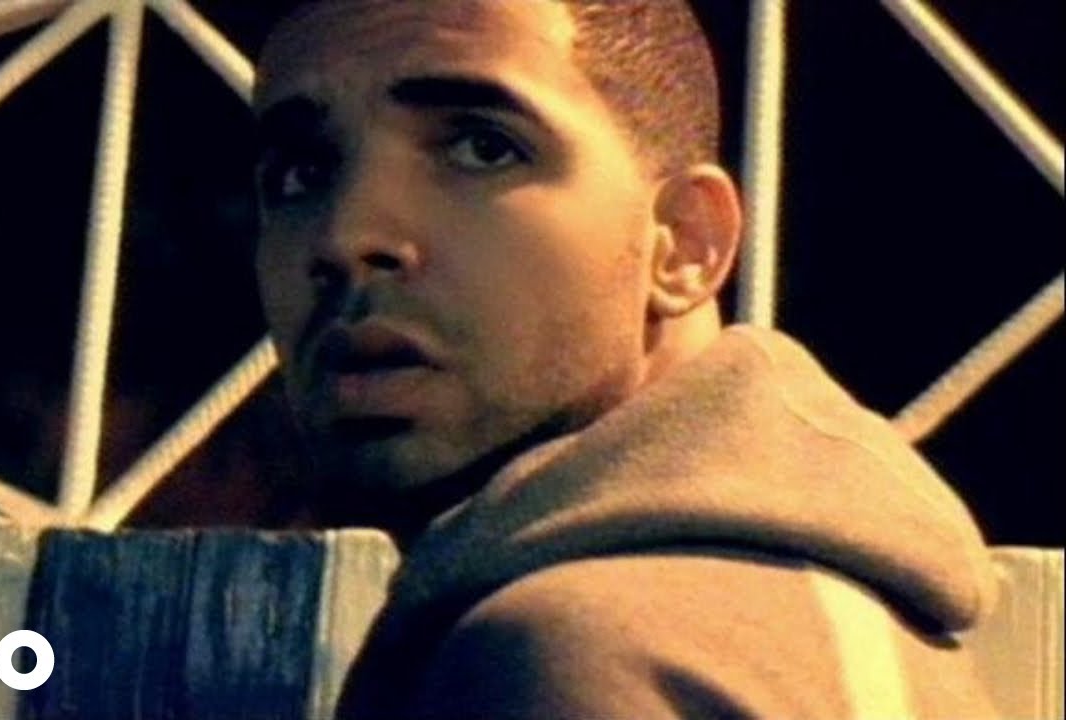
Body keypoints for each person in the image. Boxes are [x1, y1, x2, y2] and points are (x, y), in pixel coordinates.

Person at [250, 0, 999, 717]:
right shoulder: (819, 620)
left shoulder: (568, 651)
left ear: (686, 242)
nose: (344, 237)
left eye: (482, 148)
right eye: (299, 173)